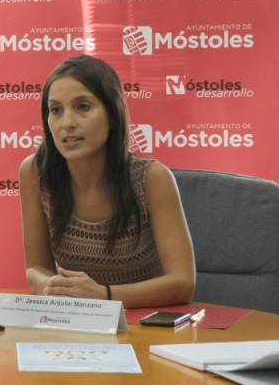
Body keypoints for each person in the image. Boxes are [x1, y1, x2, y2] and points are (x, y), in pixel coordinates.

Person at [19, 55, 195, 308]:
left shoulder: (152, 178)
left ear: (112, 114)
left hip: (145, 319)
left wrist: (104, 295)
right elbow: (35, 267)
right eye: (56, 110)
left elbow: (183, 284)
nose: (67, 123)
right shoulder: (36, 172)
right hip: (77, 318)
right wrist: (53, 287)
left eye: (83, 107)